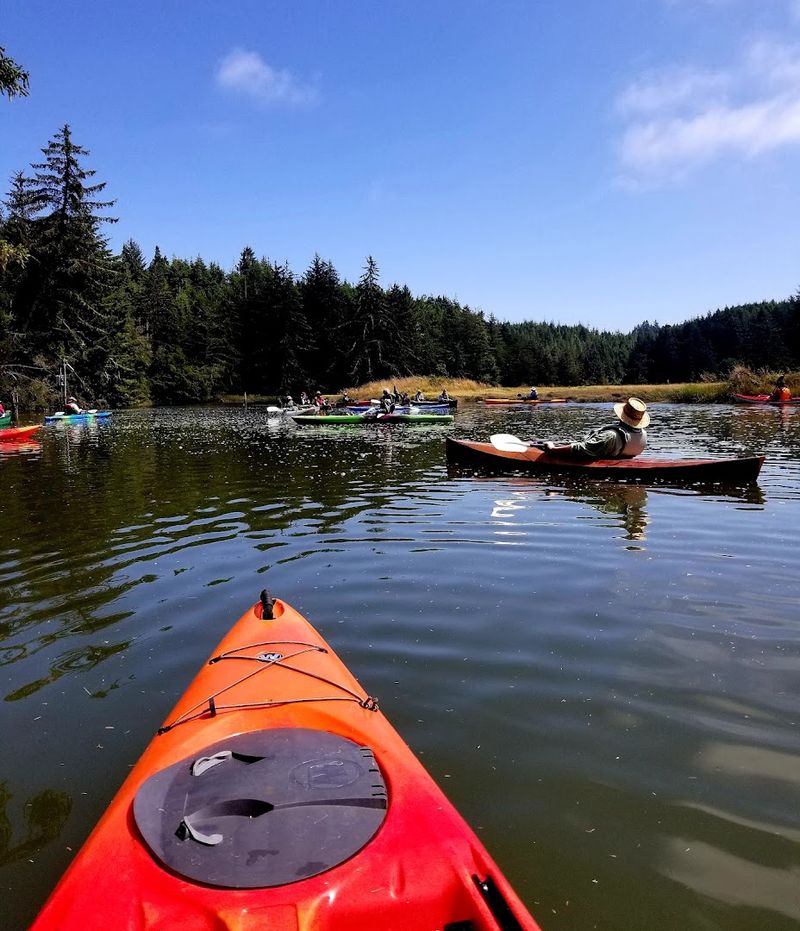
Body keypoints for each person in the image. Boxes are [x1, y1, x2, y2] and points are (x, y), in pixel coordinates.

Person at [536, 397, 649, 460]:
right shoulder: (642, 434)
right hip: (617, 457)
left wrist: (552, 449)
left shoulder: (610, 436)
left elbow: (581, 448)